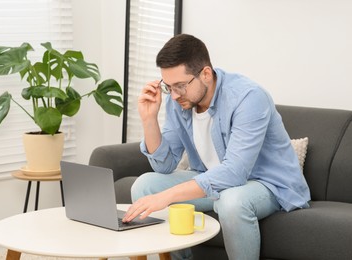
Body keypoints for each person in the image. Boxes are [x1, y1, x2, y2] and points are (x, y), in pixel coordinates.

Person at [122, 34, 310, 260]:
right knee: (145, 186)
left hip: (267, 183)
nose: (173, 95)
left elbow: (234, 173)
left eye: (180, 86)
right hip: (212, 180)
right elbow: (164, 165)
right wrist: (148, 119)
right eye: (168, 87)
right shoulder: (179, 101)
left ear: (206, 74)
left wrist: (168, 196)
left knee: (231, 202)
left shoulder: (248, 98)